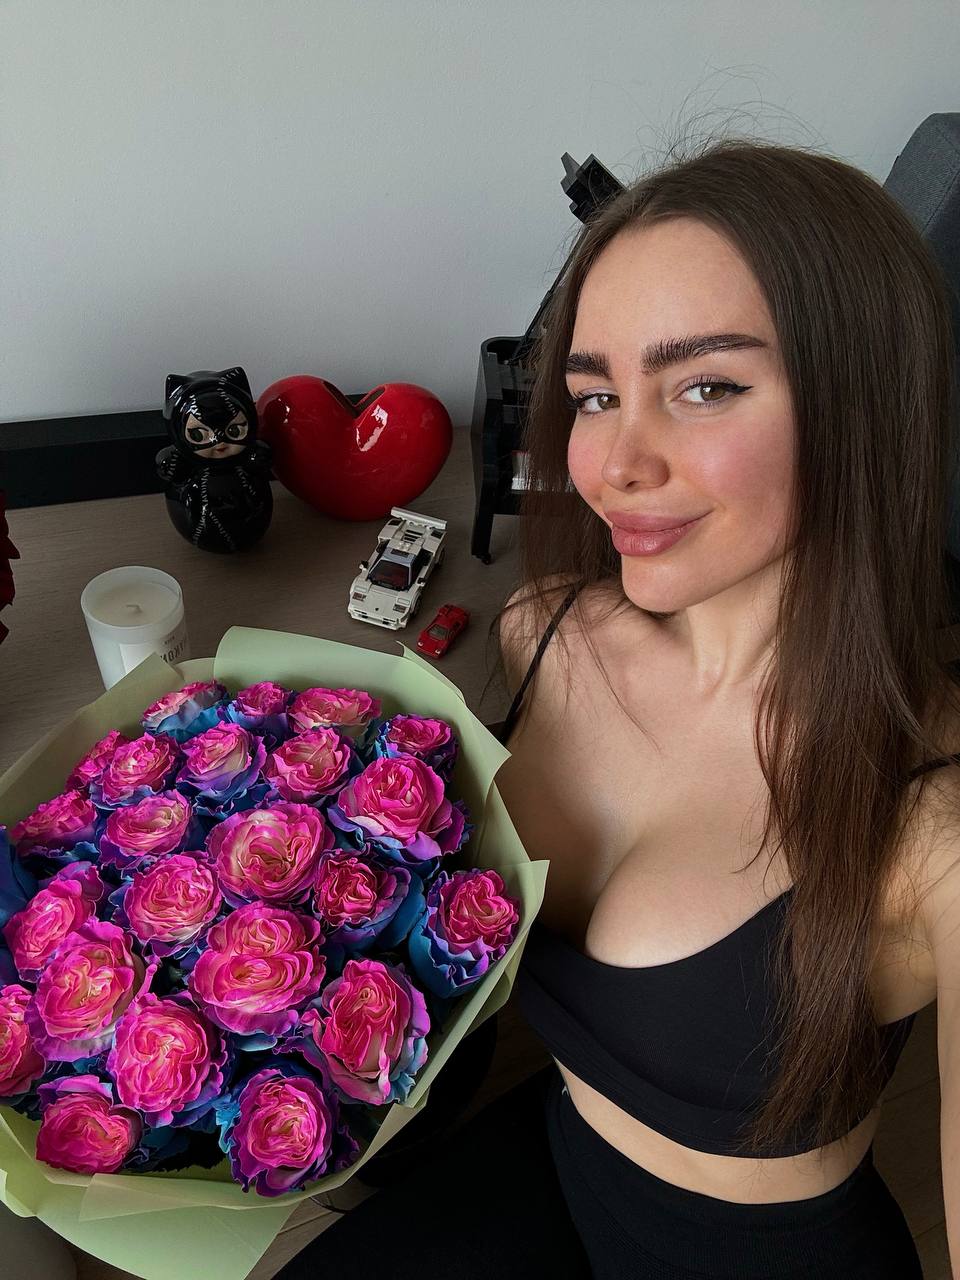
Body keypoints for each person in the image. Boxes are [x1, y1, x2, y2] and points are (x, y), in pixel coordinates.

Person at [276, 135, 960, 1277]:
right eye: (596, 395)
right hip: (560, 1143)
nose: (612, 464)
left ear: (867, 405)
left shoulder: (933, 819)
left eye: (706, 386)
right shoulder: (550, 630)